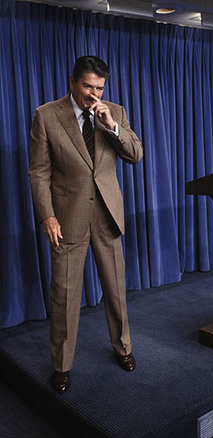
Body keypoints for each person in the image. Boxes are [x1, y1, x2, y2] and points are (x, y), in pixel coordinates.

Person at [29, 55, 143, 393]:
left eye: (100, 88)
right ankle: (62, 366)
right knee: (64, 296)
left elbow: (135, 155)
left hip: (107, 214)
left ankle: (124, 348)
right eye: (87, 87)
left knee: (115, 291)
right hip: (66, 218)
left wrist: (110, 124)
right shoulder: (46, 116)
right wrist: (47, 214)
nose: (94, 94)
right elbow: (39, 171)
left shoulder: (115, 112)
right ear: (72, 82)